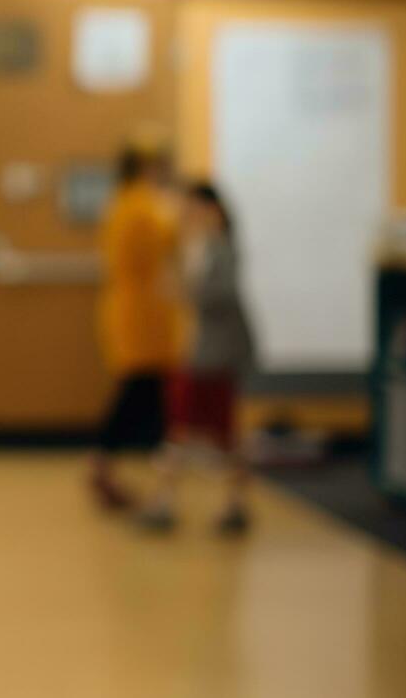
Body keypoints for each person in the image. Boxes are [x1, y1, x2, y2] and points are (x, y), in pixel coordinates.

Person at [138, 182, 259, 534]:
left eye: (194, 208)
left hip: (215, 354)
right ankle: (230, 503)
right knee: (216, 433)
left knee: (188, 427)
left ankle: (166, 502)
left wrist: (182, 289)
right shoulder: (203, 247)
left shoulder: (221, 249)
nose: (188, 216)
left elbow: (219, 295)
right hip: (206, 350)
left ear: (213, 210)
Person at [91, 138, 182, 510]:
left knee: (145, 394)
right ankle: (112, 469)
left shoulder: (121, 203)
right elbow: (171, 244)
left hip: (135, 311)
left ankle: (150, 480)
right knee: (140, 392)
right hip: (143, 314)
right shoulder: (144, 207)